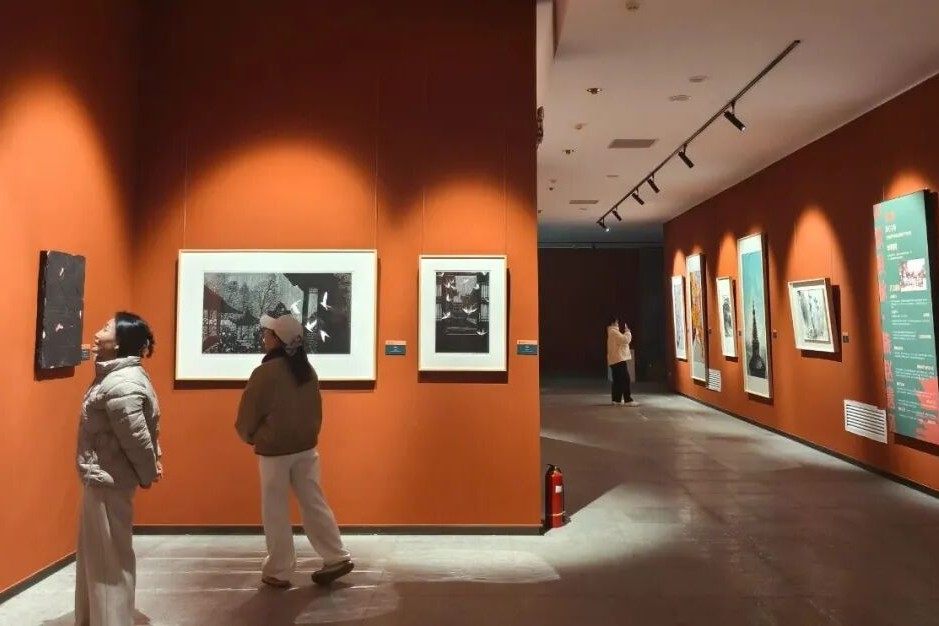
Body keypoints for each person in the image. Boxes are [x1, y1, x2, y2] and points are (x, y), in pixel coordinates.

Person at [236, 312, 354, 589]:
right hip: (306, 448)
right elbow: (316, 412)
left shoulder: (265, 373)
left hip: (274, 451)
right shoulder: (307, 371)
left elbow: (247, 415)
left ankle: (279, 569)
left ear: (277, 340)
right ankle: (336, 555)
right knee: (314, 502)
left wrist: (250, 436)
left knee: (275, 509)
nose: (264, 337)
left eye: (268, 333)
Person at [75, 312, 161, 626]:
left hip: (108, 481)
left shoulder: (121, 383)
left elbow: (137, 437)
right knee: (100, 557)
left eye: (106, 328)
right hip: (104, 477)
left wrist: (148, 471)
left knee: (108, 563)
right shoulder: (117, 377)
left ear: (120, 342)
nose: (98, 333)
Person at [607, 317, 636, 406]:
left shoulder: (611, 332)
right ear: (614, 322)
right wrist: (628, 332)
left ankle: (616, 400)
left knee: (617, 380)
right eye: (617, 322)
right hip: (618, 359)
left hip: (614, 360)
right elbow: (625, 340)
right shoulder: (614, 332)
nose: (618, 324)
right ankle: (628, 400)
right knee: (625, 379)